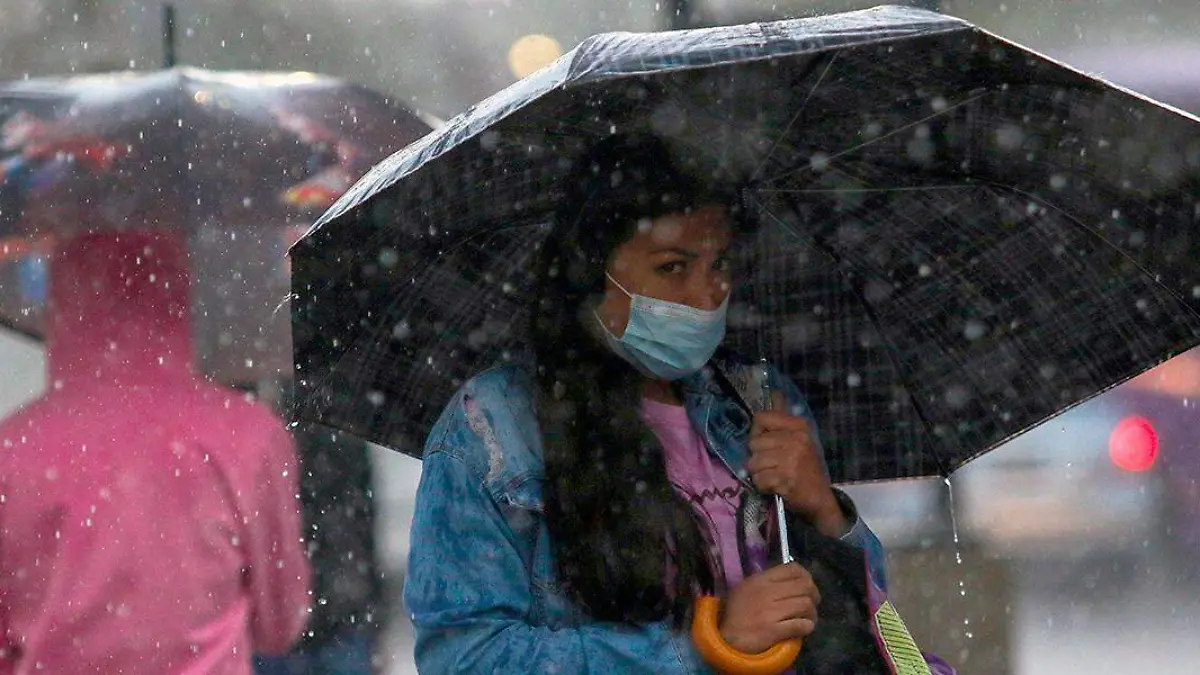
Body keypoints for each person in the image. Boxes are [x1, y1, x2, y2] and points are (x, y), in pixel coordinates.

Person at [403, 134, 952, 673]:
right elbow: (466, 657)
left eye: (719, 266)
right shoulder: (495, 427)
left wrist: (824, 512)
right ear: (592, 275)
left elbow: (863, 618)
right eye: (672, 267)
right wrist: (705, 645)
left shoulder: (753, 399)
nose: (708, 294)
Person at [0, 231, 310, 674]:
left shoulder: (13, 450)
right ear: (179, 294)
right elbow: (281, 623)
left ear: (61, 303)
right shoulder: (248, 435)